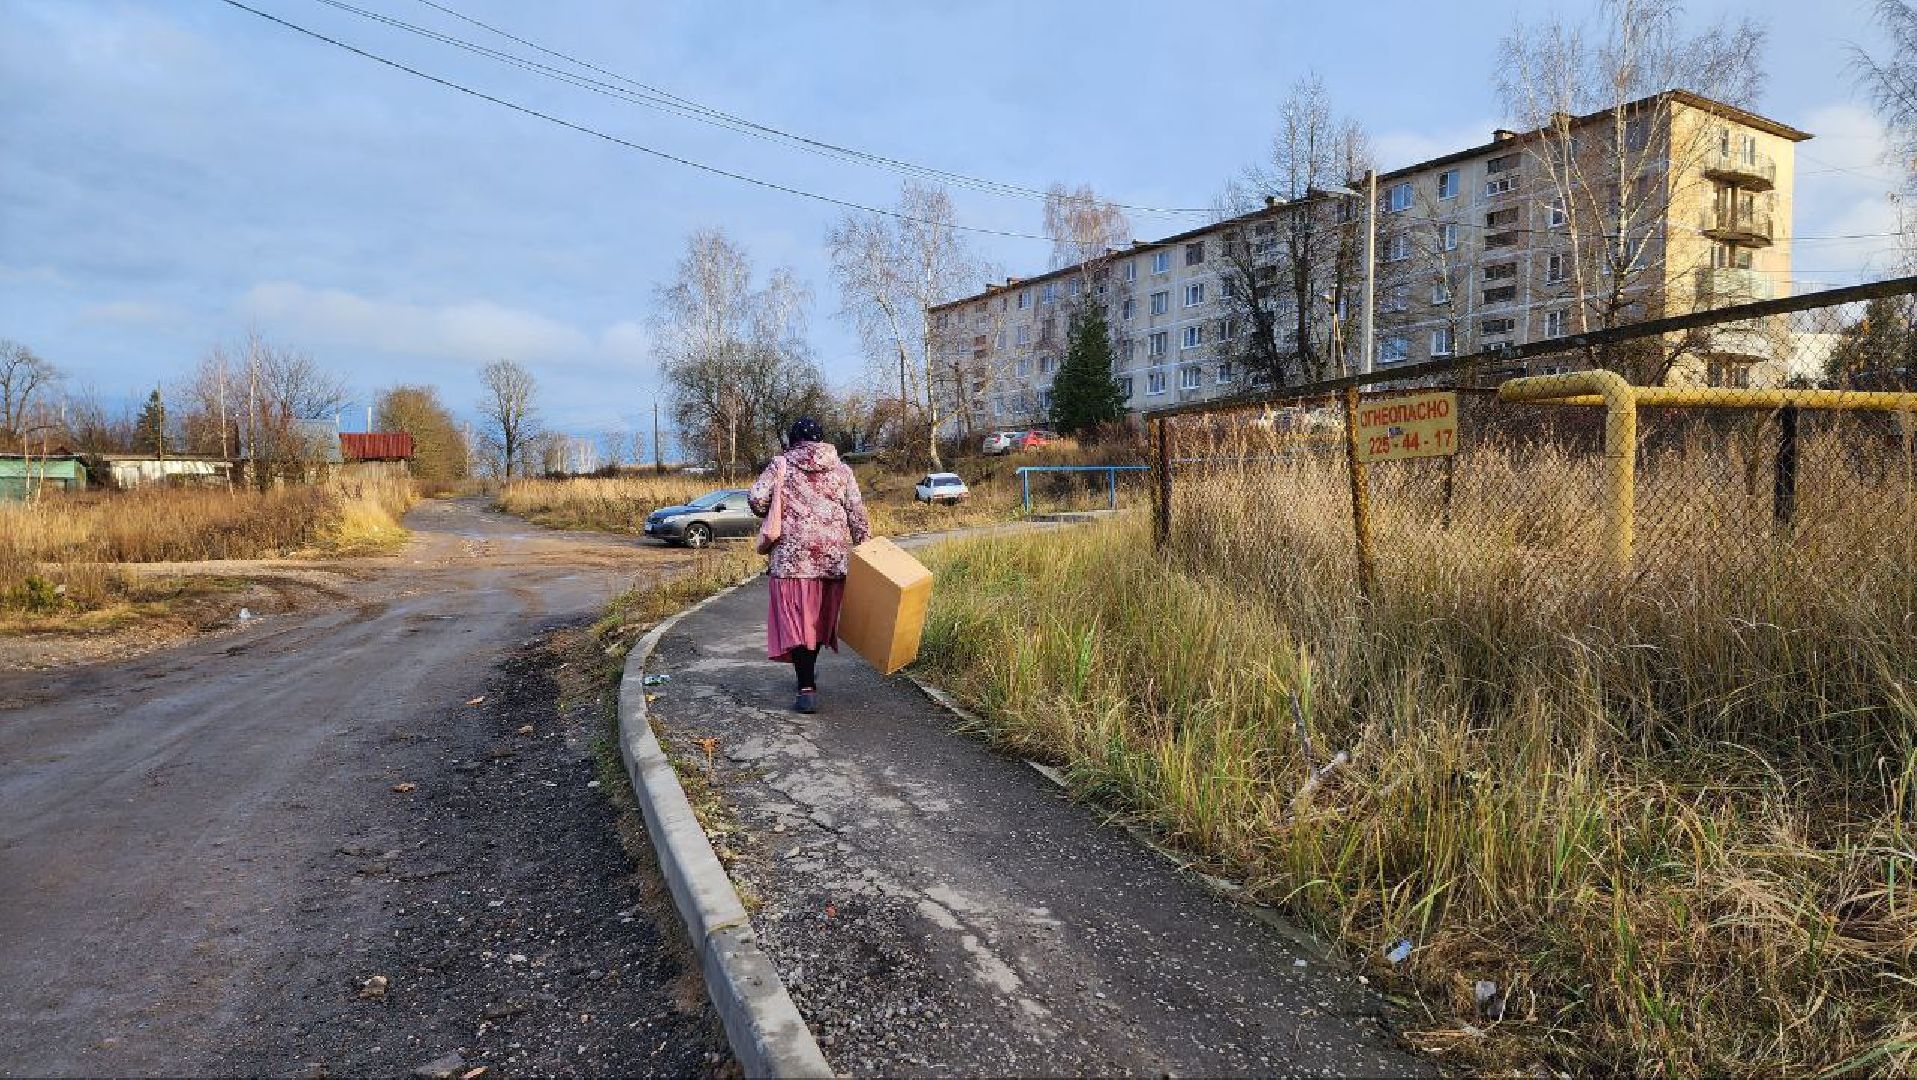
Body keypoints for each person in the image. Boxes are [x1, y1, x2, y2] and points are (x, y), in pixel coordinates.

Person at [748, 418, 870, 714]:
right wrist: (867, 549)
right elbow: (857, 514)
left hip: (792, 561)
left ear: (793, 440)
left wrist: (778, 501)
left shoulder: (781, 465)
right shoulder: (842, 470)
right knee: (814, 623)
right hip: (831, 561)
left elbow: (756, 499)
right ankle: (807, 677)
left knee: (797, 624)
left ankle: (806, 688)